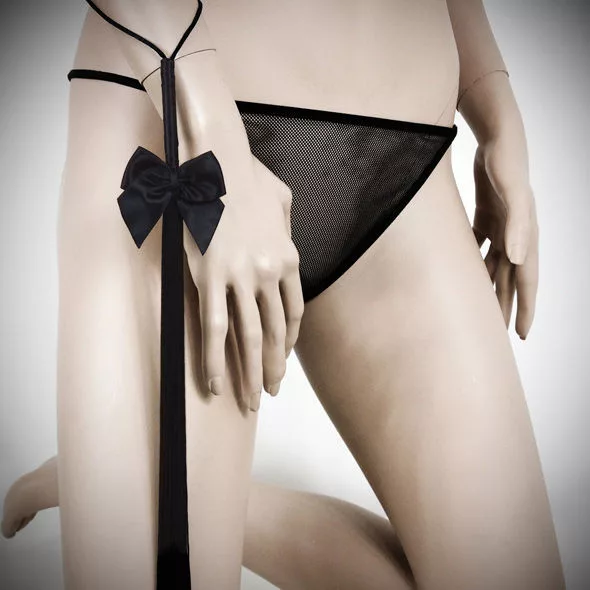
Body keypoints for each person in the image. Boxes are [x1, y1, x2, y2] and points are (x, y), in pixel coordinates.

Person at [2, 0, 566, 588]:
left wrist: (492, 100)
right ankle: (149, 496)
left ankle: (149, 493)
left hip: (408, 157)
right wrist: (214, 140)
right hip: (172, 101)